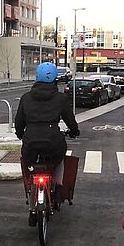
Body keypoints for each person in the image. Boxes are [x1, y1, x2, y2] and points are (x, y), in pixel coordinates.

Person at [14, 62, 80, 218]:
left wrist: (20, 134)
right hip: (53, 142)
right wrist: (74, 131)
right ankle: (57, 187)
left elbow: (19, 122)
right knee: (59, 161)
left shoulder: (26, 98)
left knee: (29, 166)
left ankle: (32, 198)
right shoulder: (61, 98)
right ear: (55, 78)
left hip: (30, 142)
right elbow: (70, 120)